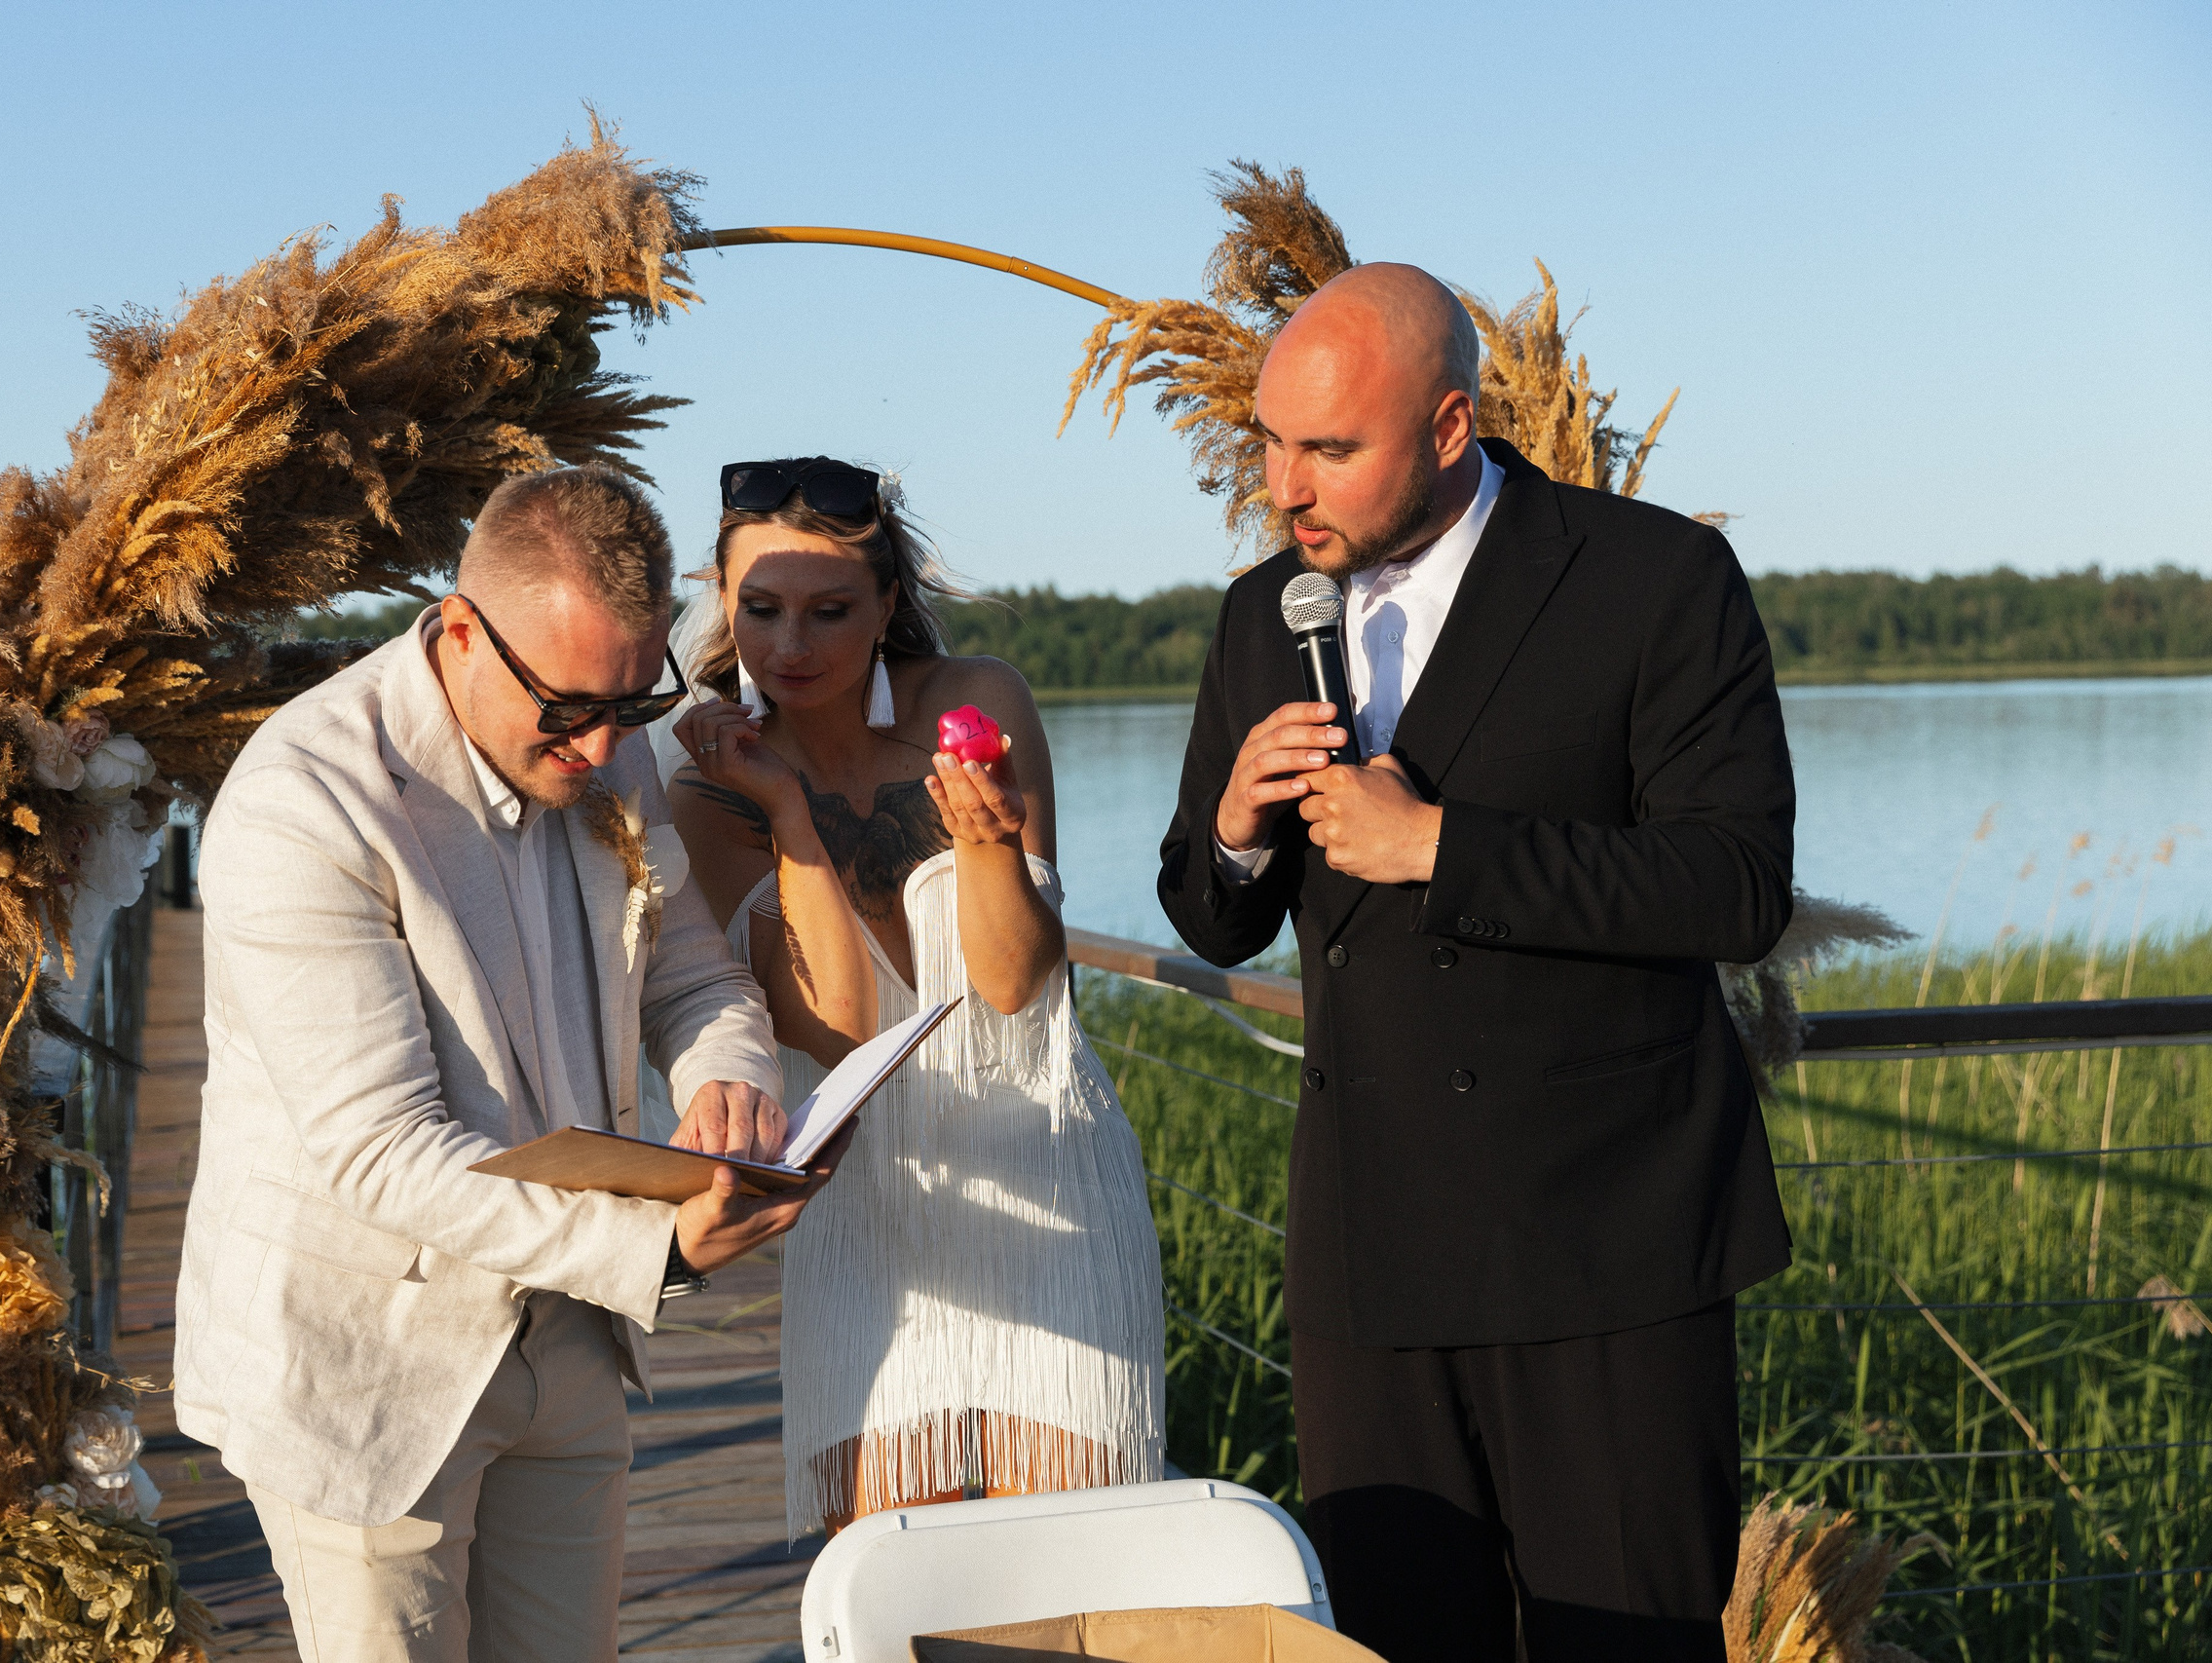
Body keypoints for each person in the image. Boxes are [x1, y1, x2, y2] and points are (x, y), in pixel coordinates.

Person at [1159, 267, 1795, 1663]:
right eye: (1271, 442)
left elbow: (1737, 883)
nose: (1284, 486)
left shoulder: (1653, 579)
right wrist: (1237, 826)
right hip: (1370, 1260)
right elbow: (1210, 918)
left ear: (1451, 427)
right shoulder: (1265, 611)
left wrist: (1445, 844)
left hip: (1607, 1254)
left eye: (1329, 449)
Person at [176, 465, 844, 1663]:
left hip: (572, 1337)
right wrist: (656, 1249)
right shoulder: (304, 803)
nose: (599, 746)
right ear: (462, 628)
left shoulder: (609, 738)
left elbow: (695, 976)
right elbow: (379, 1150)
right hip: (368, 1371)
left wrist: (727, 1080)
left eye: (632, 706)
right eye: (568, 707)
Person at [663, 457, 1165, 1533]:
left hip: (1051, 1187)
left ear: (888, 604)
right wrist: (790, 816)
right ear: (725, 602)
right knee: (890, 1593)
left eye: (830, 611)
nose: (792, 646)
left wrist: (988, 845)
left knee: (1073, 1590)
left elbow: (1015, 983)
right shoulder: (712, 781)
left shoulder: (976, 704)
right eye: (762, 609)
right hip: (871, 1214)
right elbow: (832, 1028)